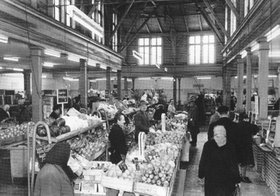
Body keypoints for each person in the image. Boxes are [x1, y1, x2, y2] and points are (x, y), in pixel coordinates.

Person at [199, 125, 241, 196]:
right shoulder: (230, 146)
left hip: (211, 179)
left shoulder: (208, 145)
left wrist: (201, 175)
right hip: (227, 180)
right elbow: (234, 165)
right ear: (225, 134)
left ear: (214, 133)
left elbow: (203, 162)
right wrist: (237, 179)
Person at [236, 112, 259, 183]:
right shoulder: (249, 125)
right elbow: (256, 129)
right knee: (244, 162)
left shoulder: (236, 125)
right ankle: (243, 176)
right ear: (246, 118)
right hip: (246, 146)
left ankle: (239, 175)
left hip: (237, 146)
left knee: (239, 161)